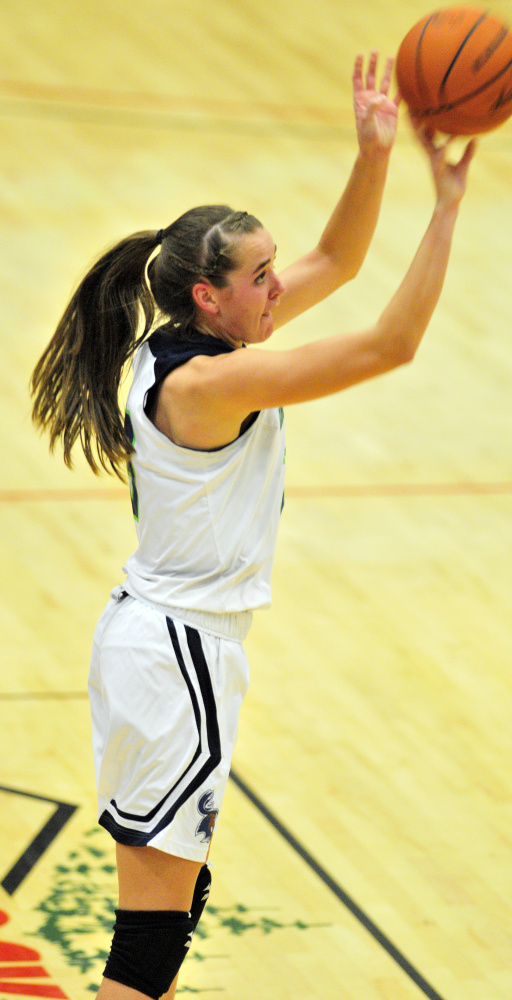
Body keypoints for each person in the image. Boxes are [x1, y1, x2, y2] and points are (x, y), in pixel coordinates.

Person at [30, 51, 476, 1000]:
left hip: (165, 646)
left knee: (164, 924)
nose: (281, 285)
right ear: (210, 294)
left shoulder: (200, 341)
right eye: (263, 275)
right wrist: (444, 209)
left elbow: (342, 262)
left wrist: (375, 152)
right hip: (177, 656)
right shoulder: (212, 382)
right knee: (146, 949)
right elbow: (390, 344)